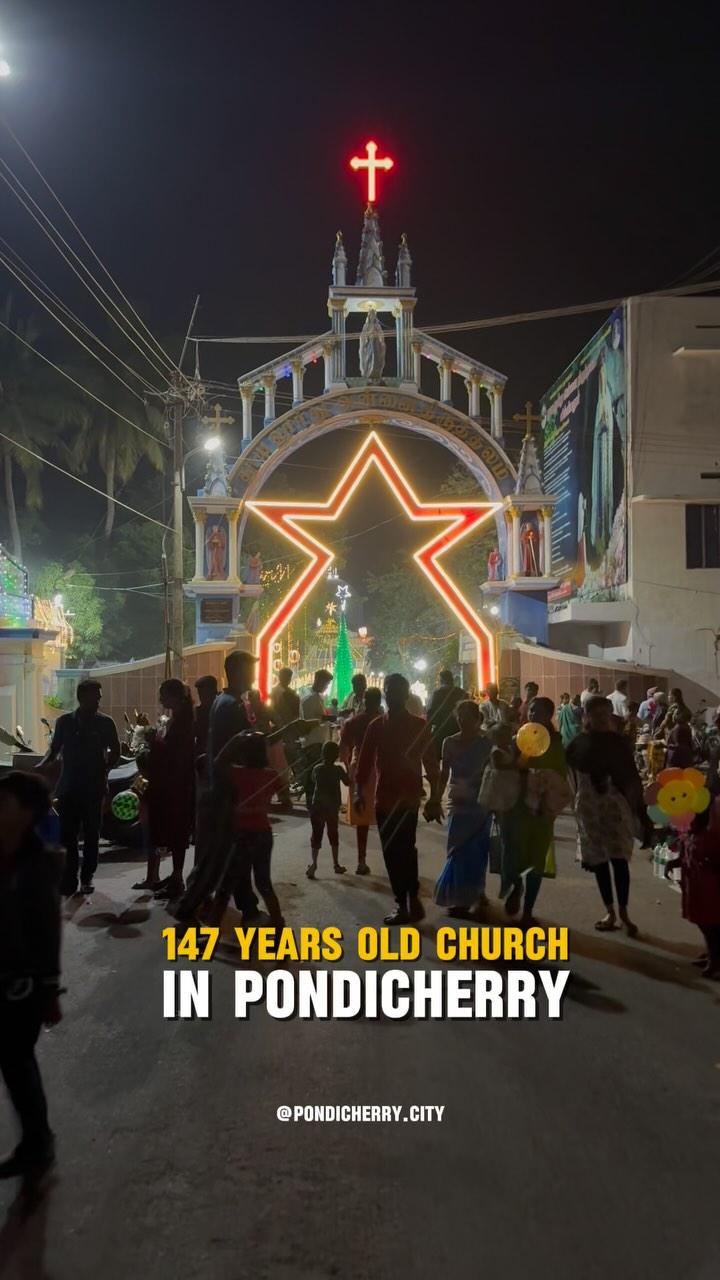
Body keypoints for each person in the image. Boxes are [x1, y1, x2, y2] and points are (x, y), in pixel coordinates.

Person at [0, 772, 62, 1190]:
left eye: (4, 804)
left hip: (21, 984)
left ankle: (38, 1142)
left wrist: (48, 988)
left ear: (25, 814)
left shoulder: (37, 866)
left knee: (16, 1062)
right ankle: (37, 1141)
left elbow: (47, 931)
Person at [175, 650, 260, 922]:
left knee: (234, 853)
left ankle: (247, 906)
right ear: (236, 671)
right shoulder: (230, 706)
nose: (254, 675)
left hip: (224, 788)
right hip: (226, 790)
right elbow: (231, 750)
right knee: (218, 857)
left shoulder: (226, 702)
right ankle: (188, 906)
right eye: (250, 669)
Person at [355, 673, 441, 924]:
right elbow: (364, 763)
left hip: (407, 799)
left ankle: (406, 900)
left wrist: (435, 797)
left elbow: (432, 764)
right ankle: (405, 900)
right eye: (388, 690)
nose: (391, 695)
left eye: (394, 690)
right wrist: (360, 792)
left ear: (405, 695)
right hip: (385, 799)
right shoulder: (377, 726)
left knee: (403, 849)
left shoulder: (417, 725)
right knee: (393, 851)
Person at [566, 695, 643, 935]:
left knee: (619, 859)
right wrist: (574, 802)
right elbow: (571, 776)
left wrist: (637, 809)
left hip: (614, 806)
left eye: (605, 715)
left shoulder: (619, 743)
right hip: (589, 806)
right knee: (599, 861)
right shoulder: (578, 744)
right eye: (596, 715)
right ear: (586, 716)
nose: (601, 719)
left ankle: (624, 913)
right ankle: (609, 911)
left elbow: (631, 777)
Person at [39, 677, 121, 896]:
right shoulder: (65, 722)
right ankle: (69, 879)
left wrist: (104, 769)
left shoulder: (106, 723)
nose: (99, 701)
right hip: (68, 788)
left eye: (100, 697)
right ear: (82, 697)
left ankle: (87, 877)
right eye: (96, 696)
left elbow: (116, 751)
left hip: (93, 789)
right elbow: (54, 750)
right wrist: (40, 767)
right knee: (68, 836)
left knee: (92, 834)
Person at [500, 697, 566, 927]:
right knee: (513, 854)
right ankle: (515, 887)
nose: (533, 714)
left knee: (537, 859)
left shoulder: (556, 743)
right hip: (516, 807)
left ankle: (528, 910)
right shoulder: (515, 739)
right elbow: (505, 770)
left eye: (539, 711)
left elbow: (561, 776)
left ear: (549, 716)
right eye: (531, 710)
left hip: (542, 809)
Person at [210, 732, 284, 928]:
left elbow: (217, 763)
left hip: (244, 835)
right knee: (264, 884)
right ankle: (279, 927)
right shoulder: (271, 775)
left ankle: (211, 933)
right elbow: (287, 804)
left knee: (226, 885)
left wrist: (235, 739)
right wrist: (264, 808)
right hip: (264, 835)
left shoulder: (237, 773)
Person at [138, 679, 196, 898]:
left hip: (175, 785)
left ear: (174, 697)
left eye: (163, 695)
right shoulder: (176, 718)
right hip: (171, 784)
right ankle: (174, 877)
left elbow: (175, 754)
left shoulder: (183, 721)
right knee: (171, 832)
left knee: (176, 832)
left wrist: (154, 741)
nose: (160, 699)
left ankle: (177, 878)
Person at [434, 701, 492, 915]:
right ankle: (457, 897)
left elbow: (496, 772)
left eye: (469, 717)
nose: (464, 721)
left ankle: (477, 891)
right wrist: (435, 799)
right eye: (460, 717)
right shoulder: (449, 742)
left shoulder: (487, 742)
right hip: (457, 803)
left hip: (481, 804)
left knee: (478, 851)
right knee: (457, 850)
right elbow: (443, 773)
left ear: (478, 719)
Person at [339, 687, 383, 875]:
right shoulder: (384, 722)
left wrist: (350, 767)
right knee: (386, 814)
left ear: (364, 700)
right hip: (381, 767)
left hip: (360, 768)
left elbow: (343, 749)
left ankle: (361, 860)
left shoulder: (354, 722)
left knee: (362, 817)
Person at [307, 741, 350, 879]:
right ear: (336, 755)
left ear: (322, 754)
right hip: (332, 807)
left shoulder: (317, 768)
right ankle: (336, 864)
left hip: (317, 807)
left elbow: (313, 780)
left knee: (316, 835)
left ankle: (313, 865)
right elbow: (348, 782)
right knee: (333, 834)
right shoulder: (338, 770)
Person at [300, 670, 333, 806]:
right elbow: (316, 718)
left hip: (317, 739)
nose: (326, 687)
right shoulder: (312, 698)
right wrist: (335, 717)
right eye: (326, 684)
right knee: (313, 771)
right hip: (314, 740)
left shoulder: (314, 697)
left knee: (314, 770)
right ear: (319, 681)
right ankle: (311, 799)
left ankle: (312, 798)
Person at [426, 669, 466, 758]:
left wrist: (428, 729)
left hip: (441, 729)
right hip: (459, 728)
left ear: (442, 680)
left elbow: (431, 712)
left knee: (441, 755)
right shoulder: (461, 692)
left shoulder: (437, 693)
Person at [193, 674, 218, 758]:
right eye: (200, 693)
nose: (201, 697)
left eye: (204, 693)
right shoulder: (198, 711)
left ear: (213, 691)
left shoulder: (219, 709)